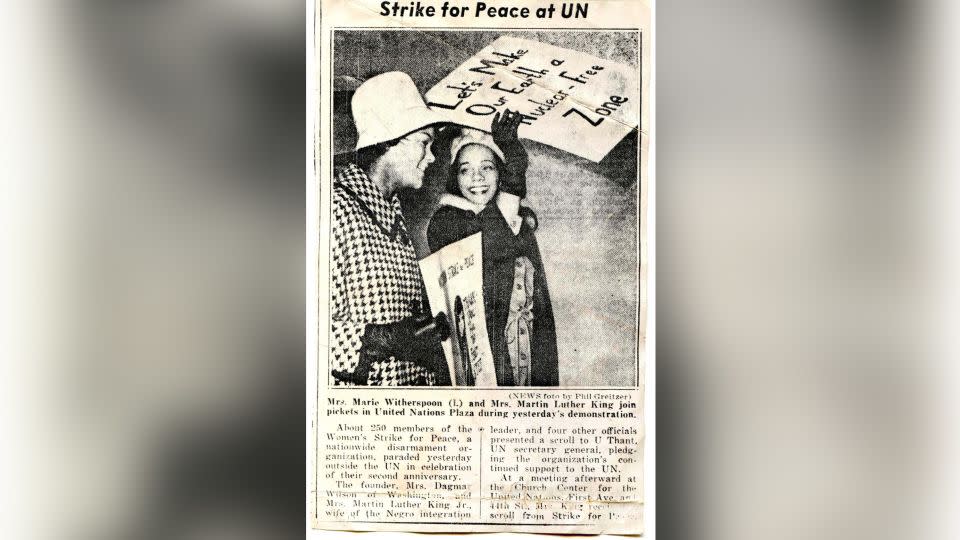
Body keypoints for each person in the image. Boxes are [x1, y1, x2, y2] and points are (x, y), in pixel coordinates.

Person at [329, 71, 451, 386]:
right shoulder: (331, 209)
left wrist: (419, 327)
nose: (433, 157)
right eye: (425, 142)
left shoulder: (393, 216)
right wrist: (383, 338)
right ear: (387, 141)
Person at [427, 110, 559, 386]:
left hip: (526, 356)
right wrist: (514, 160)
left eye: (487, 167)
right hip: (487, 368)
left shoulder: (519, 224)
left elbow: (539, 306)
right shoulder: (446, 222)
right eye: (465, 169)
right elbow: (492, 243)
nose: (477, 178)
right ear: (455, 176)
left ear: (499, 172)